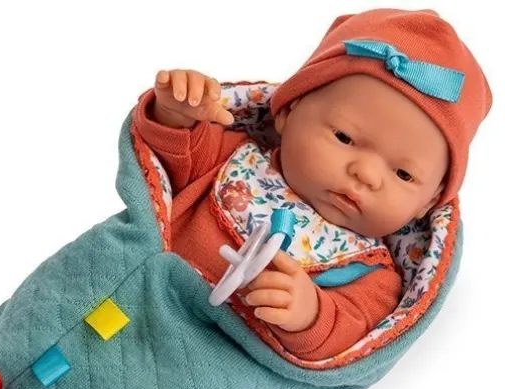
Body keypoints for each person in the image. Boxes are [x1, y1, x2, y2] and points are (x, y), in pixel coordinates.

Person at [133, 8, 491, 361]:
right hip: (133, 290)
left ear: (427, 203)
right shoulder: (231, 158)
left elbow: (348, 337)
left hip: (198, 364)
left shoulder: (372, 276)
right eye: (344, 137)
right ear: (288, 112)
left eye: (404, 174)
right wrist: (175, 113)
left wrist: (310, 316)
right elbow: (169, 154)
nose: (366, 174)